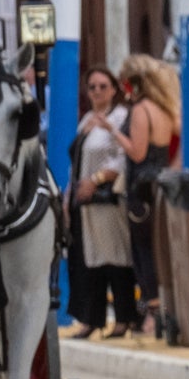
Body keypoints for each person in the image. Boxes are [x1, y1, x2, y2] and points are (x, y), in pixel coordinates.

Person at [64, 65, 140, 337]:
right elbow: (77, 161)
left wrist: (95, 179)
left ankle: (123, 318)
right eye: (92, 87)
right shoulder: (86, 119)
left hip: (108, 198)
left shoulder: (121, 117)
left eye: (103, 86)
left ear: (114, 89)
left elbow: (123, 157)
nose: (97, 91)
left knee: (116, 257)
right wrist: (68, 196)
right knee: (90, 260)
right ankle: (91, 319)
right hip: (83, 201)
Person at [116, 53, 181, 336]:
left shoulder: (141, 110)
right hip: (160, 183)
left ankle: (153, 314)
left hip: (141, 186)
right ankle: (162, 309)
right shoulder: (164, 108)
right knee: (159, 248)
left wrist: (113, 132)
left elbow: (137, 151)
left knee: (144, 251)